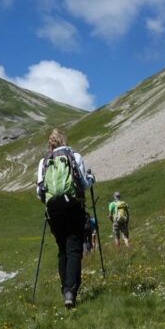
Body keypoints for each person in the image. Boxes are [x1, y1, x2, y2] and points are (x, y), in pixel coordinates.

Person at [36, 128, 95, 308]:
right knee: (74, 248)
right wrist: (91, 179)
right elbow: (83, 184)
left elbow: (39, 191)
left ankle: (65, 290)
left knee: (62, 249)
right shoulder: (74, 156)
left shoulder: (44, 161)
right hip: (73, 206)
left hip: (53, 209)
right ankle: (71, 291)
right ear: (64, 140)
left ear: (50, 143)